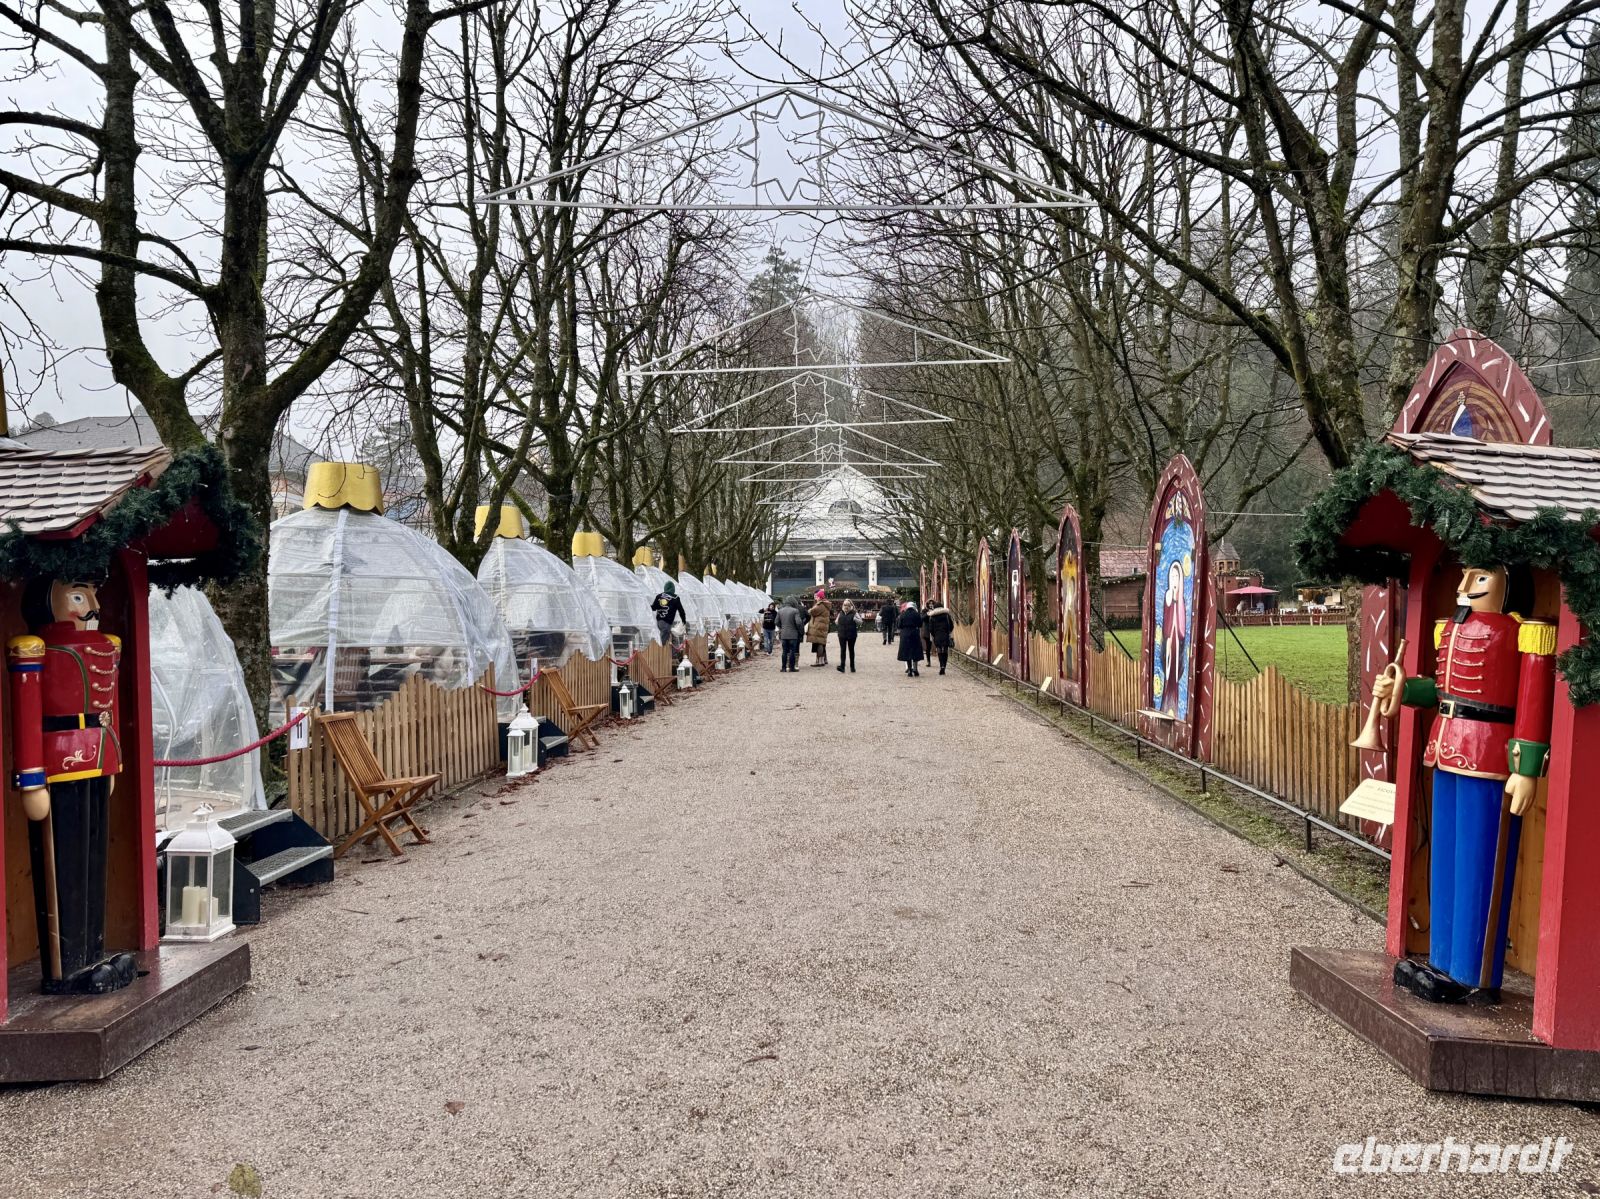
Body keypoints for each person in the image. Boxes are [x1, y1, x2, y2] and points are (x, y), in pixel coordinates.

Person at [775, 597, 806, 672]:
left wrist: (782, 627)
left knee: (785, 651)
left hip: (784, 634)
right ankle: (792, 667)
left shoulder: (780, 611)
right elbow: (798, 622)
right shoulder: (795, 611)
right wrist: (799, 629)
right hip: (793, 634)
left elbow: (776, 622)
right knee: (792, 650)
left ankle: (784, 668)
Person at [926, 598, 955, 674]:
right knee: (945, 650)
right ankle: (944, 666)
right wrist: (949, 631)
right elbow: (951, 625)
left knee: (939, 649)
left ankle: (941, 665)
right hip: (945, 634)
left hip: (937, 635)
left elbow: (930, 628)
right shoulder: (946, 615)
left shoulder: (932, 616)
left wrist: (933, 634)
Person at [897, 600, 924, 677]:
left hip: (905, 634)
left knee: (907, 651)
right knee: (915, 651)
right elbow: (920, 624)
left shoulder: (903, 615)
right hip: (914, 633)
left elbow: (899, 625)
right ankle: (915, 669)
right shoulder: (917, 614)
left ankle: (909, 670)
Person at [806, 589, 831, 667]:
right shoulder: (825, 604)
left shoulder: (820, 605)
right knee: (821, 643)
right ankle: (822, 660)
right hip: (822, 626)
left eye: (817, 596)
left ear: (820, 597)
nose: (816, 598)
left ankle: (819, 662)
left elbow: (812, 611)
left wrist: (809, 610)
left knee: (819, 643)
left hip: (819, 626)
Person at [835, 599, 858, 673]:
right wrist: (837, 622)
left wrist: (855, 619)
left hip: (851, 634)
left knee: (851, 650)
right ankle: (842, 666)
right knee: (843, 650)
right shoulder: (840, 613)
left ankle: (852, 667)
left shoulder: (854, 613)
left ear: (850, 606)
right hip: (842, 634)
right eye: (845, 605)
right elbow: (836, 622)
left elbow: (860, 622)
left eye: (848, 605)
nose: (846, 606)